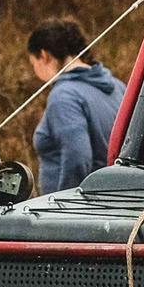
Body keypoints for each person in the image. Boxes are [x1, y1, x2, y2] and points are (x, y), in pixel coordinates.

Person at [27, 20, 125, 194]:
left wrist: (64, 205)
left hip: (77, 205)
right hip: (115, 198)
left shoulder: (64, 96)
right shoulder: (118, 86)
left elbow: (77, 157)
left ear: (44, 55)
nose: (35, 71)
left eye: (33, 63)